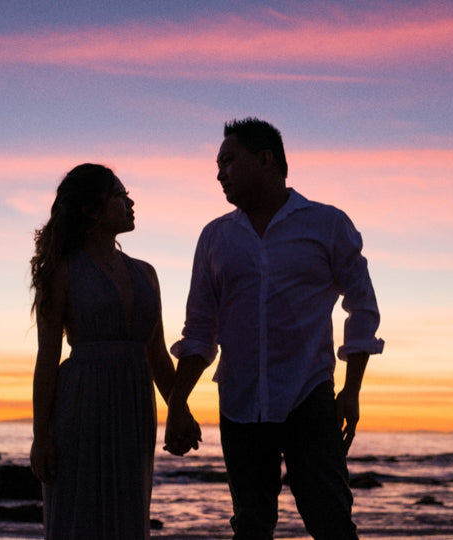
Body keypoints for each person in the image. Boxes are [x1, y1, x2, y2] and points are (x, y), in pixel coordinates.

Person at [165, 118, 384, 539]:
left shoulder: (326, 224)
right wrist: (177, 402)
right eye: (218, 164)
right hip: (239, 402)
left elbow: (362, 307)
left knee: (332, 522)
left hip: (309, 397)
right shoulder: (215, 237)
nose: (219, 174)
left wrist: (351, 391)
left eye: (228, 161)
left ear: (266, 160)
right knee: (250, 526)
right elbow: (199, 330)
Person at [29, 163, 199, 540]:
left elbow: (157, 355)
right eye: (120, 195)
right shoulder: (61, 272)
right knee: (78, 519)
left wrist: (179, 408)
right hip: (79, 408)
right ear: (91, 209)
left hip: (134, 410)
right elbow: (47, 358)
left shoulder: (147, 273)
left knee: (128, 518)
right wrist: (41, 435)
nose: (130, 201)